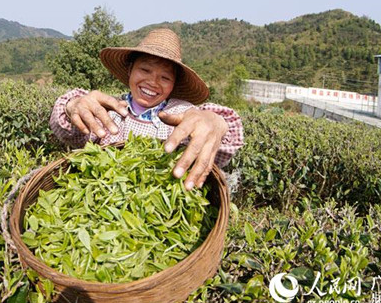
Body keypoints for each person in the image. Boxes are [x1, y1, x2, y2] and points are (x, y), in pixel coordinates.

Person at [50, 28, 244, 190]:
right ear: (130, 71)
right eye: (145, 70)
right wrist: (73, 106)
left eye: (165, 78)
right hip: (104, 191)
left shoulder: (179, 115)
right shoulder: (109, 112)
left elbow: (208, 124)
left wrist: (215, 122)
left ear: (174, 85)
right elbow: (70, 132)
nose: (152, 82)